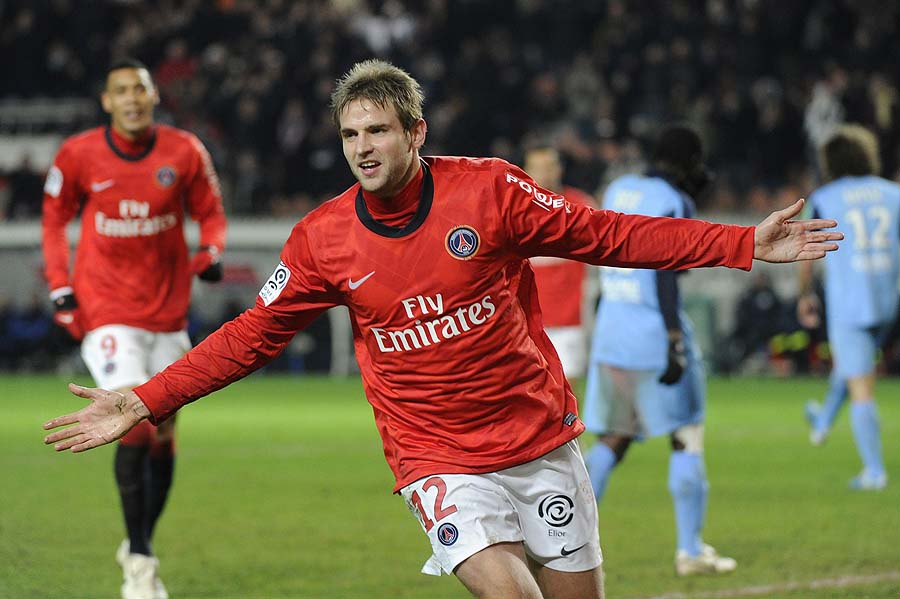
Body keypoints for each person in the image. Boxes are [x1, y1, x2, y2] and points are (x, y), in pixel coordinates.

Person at [44, 60, 841, 599]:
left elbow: (611, 235)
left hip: (536, 435)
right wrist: (145, 398)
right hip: (435, 453)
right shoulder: (324, 239)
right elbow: (252, 334)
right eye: (351, 135)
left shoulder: (491, 193)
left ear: (416, 131)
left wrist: (742, 243)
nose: (362, 149)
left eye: (379, 131)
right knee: (508, 590)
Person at [41, 58, 227, 599]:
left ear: (153, 97)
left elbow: (211, 212)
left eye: (140, 89)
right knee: (136, 421)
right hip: (107, 310)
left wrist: (211, 250)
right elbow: (54, 220)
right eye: (120, 90)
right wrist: (60, 286)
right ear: (107, 101)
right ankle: (141, 563)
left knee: (165, 431)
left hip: (169, 312)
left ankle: (139, 539)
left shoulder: (184, 151)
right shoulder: (78, 154)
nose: (131, 98)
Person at [581, 125, 738, 577]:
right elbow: (666, 272)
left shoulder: (618, 187)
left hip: (612, 332)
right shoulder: (674, 201)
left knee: (613, 437)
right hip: (654, 333)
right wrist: (673, 338)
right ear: (690, 161)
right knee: (686, 434)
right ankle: (690, 550)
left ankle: (558, 538)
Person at [798, 124, 898, 490]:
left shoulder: (825, 197)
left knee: (861, 385)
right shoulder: (893, 194)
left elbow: (807, 249)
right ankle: (823, 420)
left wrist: (805, 294)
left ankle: (874, 471)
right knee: (852, 364)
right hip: (887, 300)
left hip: (850, 302)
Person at [524, 144, 597, 383]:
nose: (544, 174)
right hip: (525, 322)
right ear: (527, 170)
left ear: (559, 170)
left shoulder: (579, 206)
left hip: (569, 321)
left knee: (566, 393)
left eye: (549, 167)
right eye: (537, 168)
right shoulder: (516, 208)